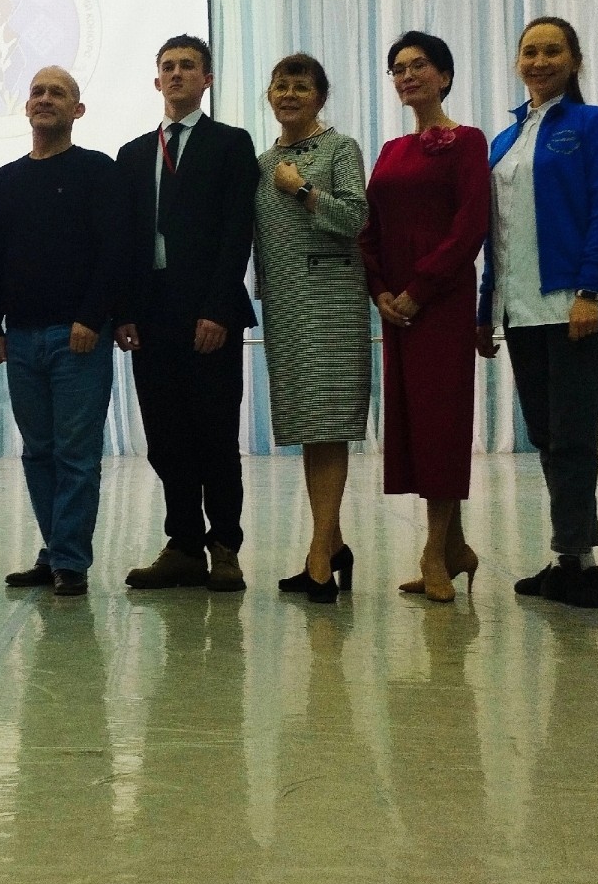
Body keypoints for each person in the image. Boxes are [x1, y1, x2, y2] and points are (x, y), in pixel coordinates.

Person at [474, 18, 598, 610]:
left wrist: (590, 289)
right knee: (547, 436)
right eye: (530, 52)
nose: (539, 61)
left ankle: (580, 565)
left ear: (574, 60)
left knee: (572, 436)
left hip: (576, 306)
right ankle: (570, 557)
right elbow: (497, 233)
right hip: (521, 312)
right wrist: (486, 309)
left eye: (552, 51)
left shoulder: (593, 124)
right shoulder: (506, 139)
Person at [115, 35, 260, 592]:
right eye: (168, 67)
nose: (177, 74)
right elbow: (128, 241)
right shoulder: (133, 154)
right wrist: (125, 311)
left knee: (214, 434)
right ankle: (182, 546)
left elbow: (236, 231)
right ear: (157, 81)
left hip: (208, 313)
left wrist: (218, 308)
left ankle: (224, 547)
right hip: (151, 316)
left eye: (188, 66)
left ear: (207, 79)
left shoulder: (230, 144)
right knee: (165, 436)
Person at [0, 66, 130, 599]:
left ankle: (69, 560)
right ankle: (56, 551)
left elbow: (113, 251)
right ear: (26, 106)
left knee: (75, 454)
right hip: (20, 338)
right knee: (38, 452)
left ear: (77, 109)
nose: (45, 99)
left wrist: (91, 318)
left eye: (57, 93)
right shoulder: (6, 179)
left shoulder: (98, 170)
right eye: (37, 92)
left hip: (78, 337)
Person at [361, 32, 490, 603]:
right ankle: (455, 546)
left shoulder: (467, 142)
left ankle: (433, 551)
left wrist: (419, 289)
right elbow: (369, 226)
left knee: (442, 424)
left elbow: (470, 226)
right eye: (398, 68)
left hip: (441, 305)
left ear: (444, 75)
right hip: (397, 309)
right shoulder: (391, 150)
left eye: (418, 65)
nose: (407, 75)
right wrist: (381, 291)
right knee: (416, 428)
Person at [252, 54, 370, 605]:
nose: (290, 95)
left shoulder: (340, 148)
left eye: (302, 87)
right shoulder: (262, 162)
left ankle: (319, 556)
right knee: (308, 425)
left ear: (320, 98)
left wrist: (302, 189)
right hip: (285, 305)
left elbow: (356, 218)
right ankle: (333, 542)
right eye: (281, 86)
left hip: (331, 302)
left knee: (329, 424)